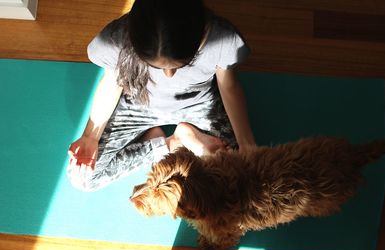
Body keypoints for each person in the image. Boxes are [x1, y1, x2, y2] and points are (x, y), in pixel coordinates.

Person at [67, 0, 256, 192]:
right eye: (157, 67)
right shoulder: (115, 39)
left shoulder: (221, 38)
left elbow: (229, 86)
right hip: (139, 104)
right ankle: (172, 142)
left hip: (198, 105)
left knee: (239, 177)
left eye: (181, 64)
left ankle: (187, 135)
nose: (169, 75)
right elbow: (111, 83)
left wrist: (246, 144)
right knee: (83, 178)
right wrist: (90, 136)